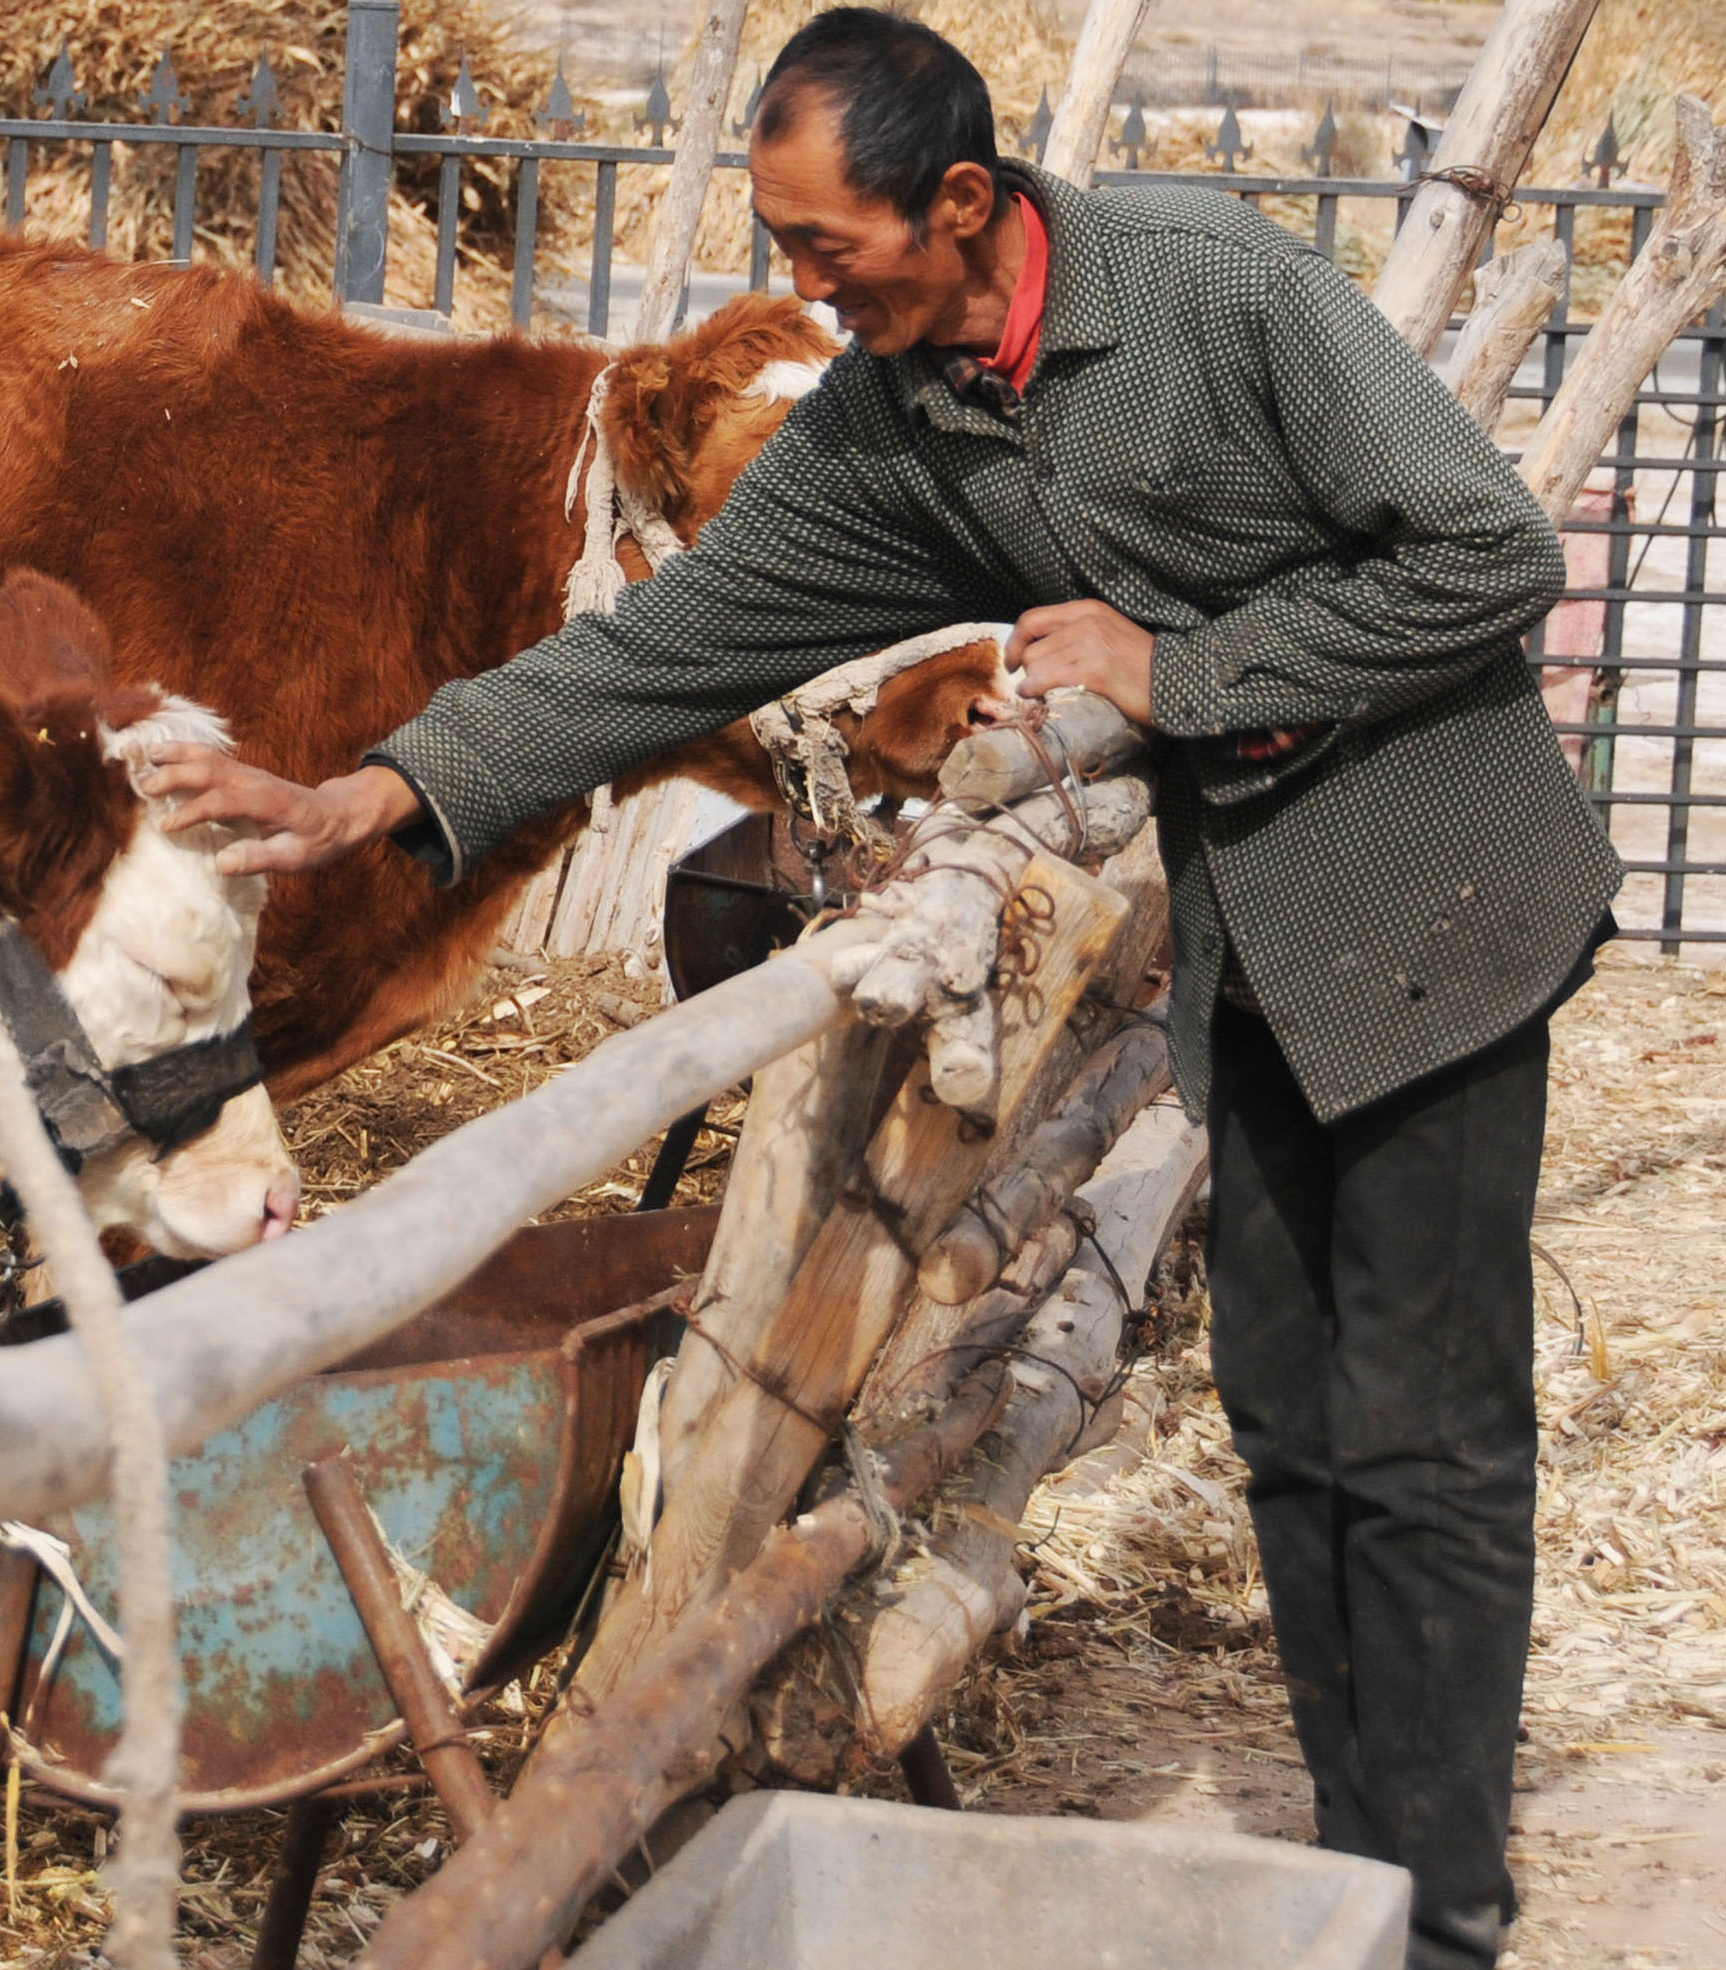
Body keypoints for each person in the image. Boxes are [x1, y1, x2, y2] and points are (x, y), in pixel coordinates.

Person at [143, 12, 1621, 1968]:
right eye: (784, 239)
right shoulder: (893, 417)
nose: (801, 284)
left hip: (1434, 903)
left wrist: (1172, 678)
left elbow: (1485, 556)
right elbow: (669, 645)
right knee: (1287, 1415)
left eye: (829, 245)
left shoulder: (1211, 287)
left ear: (959, 198)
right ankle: (1363, 1874)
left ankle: (1440, 1920)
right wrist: (381, 784)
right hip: (1257, 939)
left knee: (1418, 1434)